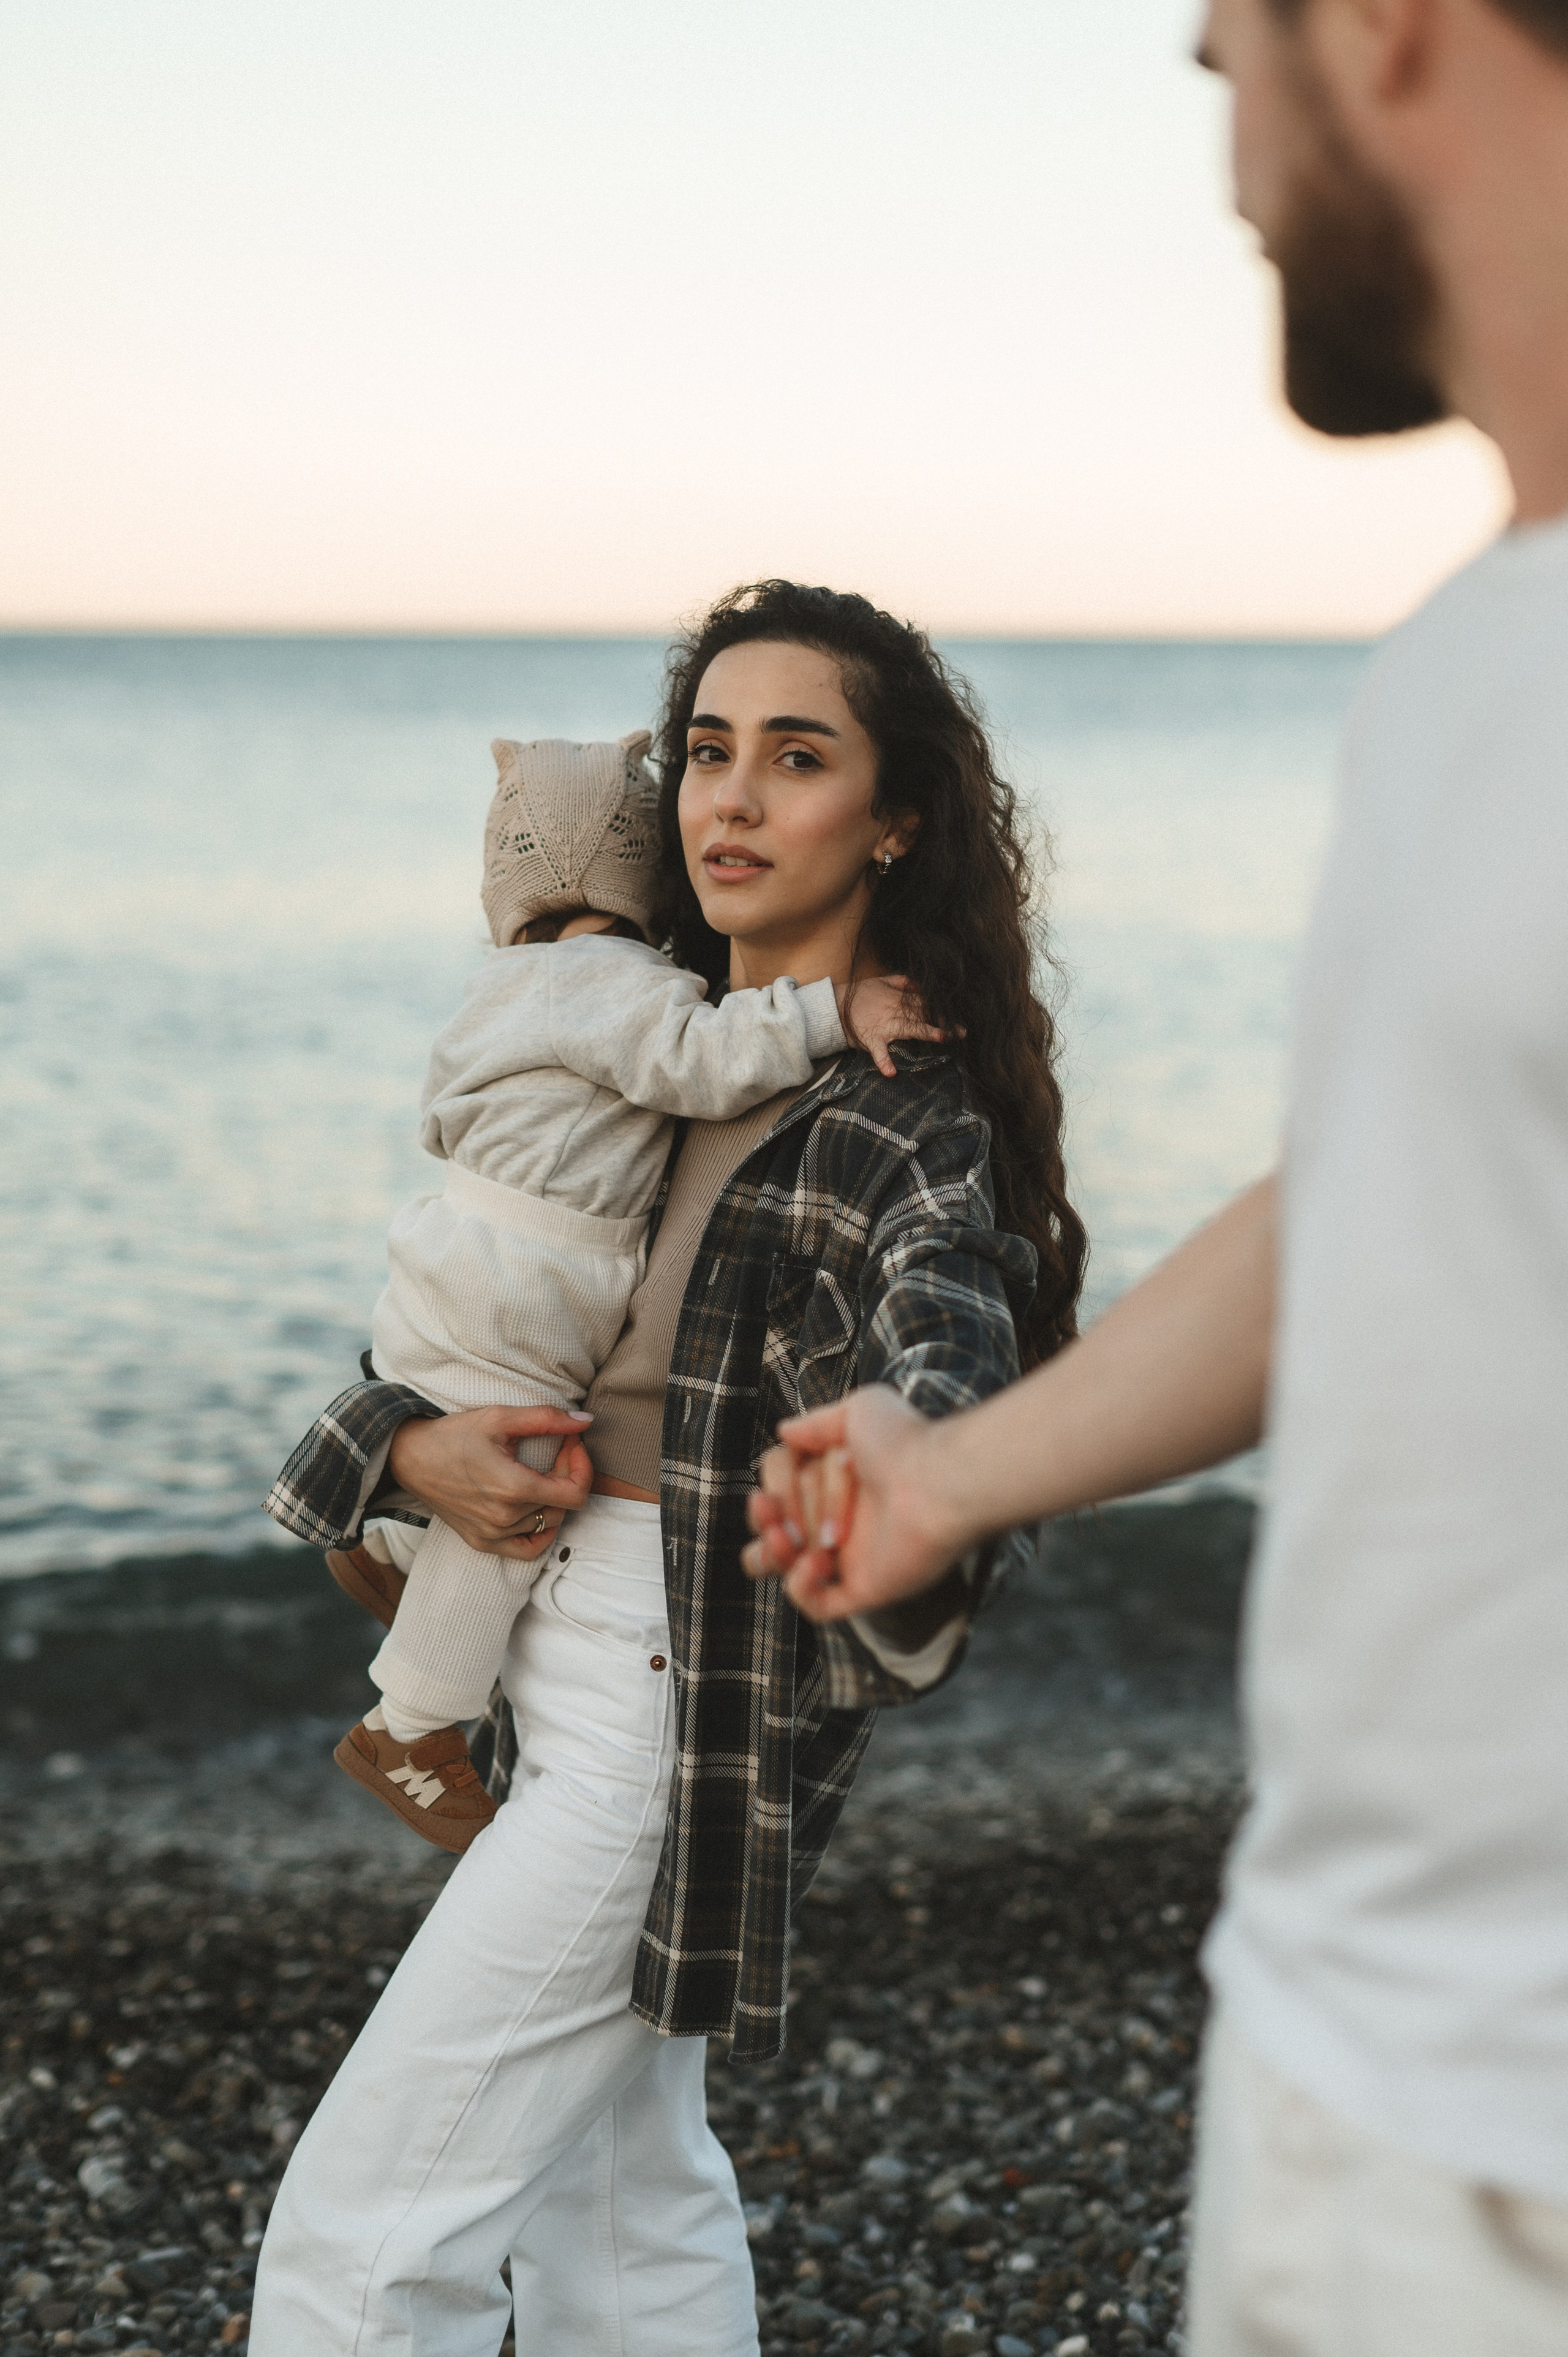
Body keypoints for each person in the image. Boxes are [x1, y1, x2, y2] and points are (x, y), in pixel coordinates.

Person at [746, 4, 1568, 2350]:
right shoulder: (1466, 667)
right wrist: (946, 1474)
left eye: (1228, 31)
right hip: (1344, 2056)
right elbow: (1381, 1219)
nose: (1210, 82)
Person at [248, 578, 1086, 2356]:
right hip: (543, 1654)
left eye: (798, 757)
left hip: (666, 1690)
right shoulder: (632, 1045)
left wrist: (912, 1453)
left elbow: (956, 1339)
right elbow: (454, 1318)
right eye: (709, 753)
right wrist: (412, 1442)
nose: (733, 799)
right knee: (613, 2205)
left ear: (897, 813)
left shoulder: (893, 1110)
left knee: (366, 2235)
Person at [291, 726, 934, 1853]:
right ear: (637, 868)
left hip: (450, 1249)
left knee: (464, 1442)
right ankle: (412, 1724)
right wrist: (834, 1011)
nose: (730, 806)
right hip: (527, 1282)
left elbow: (440, 1117)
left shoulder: (499, 989)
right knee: (521, 1483)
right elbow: (701, 1058)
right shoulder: (611, 983)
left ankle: (391, 1549)